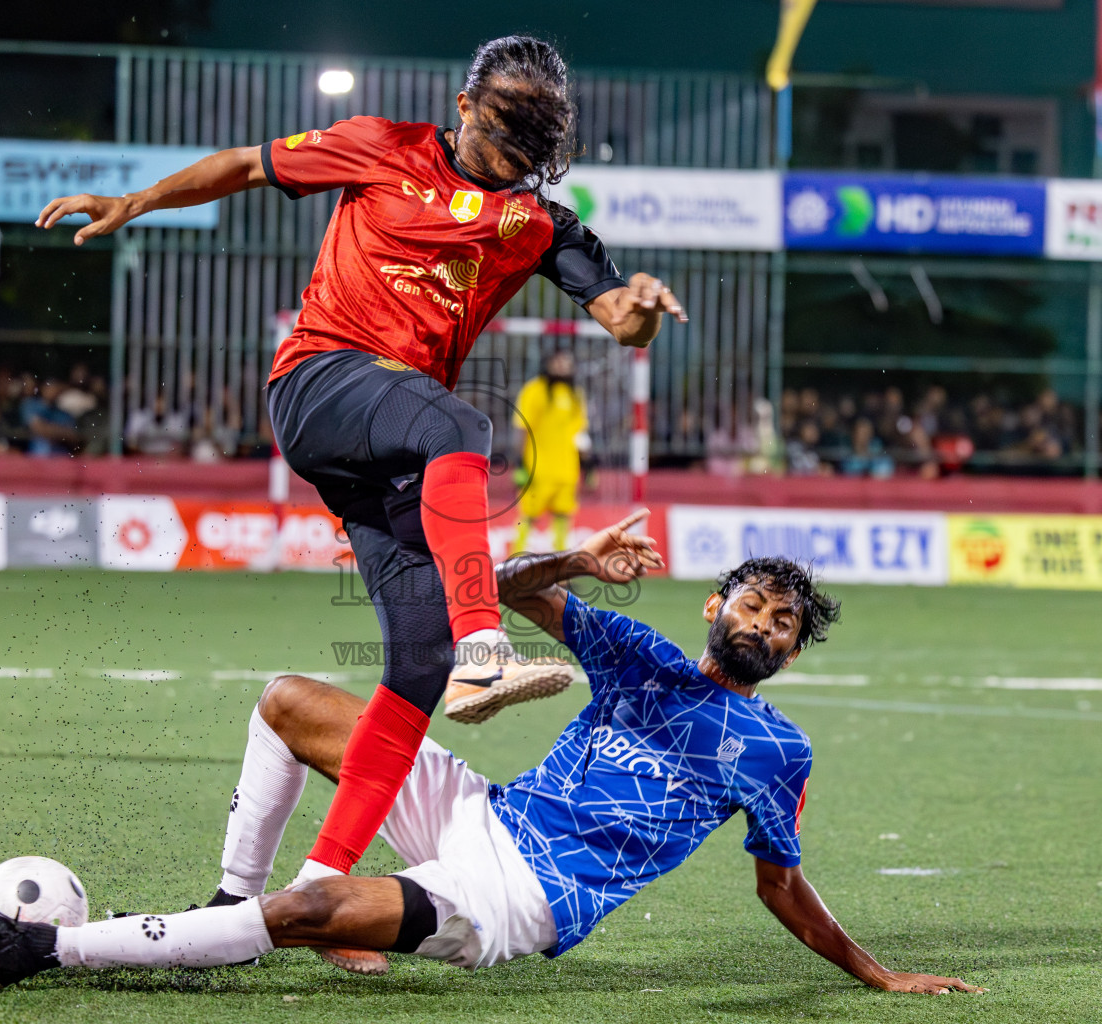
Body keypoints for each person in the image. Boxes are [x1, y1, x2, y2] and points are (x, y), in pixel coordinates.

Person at [35, 36, 688, 884]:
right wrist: (138, 200)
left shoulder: (542, 227)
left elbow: (619, 320)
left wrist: (639, 305)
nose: (517, 153)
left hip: (388, 448)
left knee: (416, 667)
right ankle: (483, 654)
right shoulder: (384, 146)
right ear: (463, 106)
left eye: (534, 139)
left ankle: (309, 890)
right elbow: (243, 165)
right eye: (504, 128)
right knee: (463, 428)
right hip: (319, 379)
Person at [0, 512, 983, 998]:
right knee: (288, 699)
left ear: (793, 650)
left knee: (309, 914)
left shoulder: (777, 748)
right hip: (479, 810)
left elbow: (782, 882)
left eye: (788, 621)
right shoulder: (639, 654)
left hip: (523, 897)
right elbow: (508, 587)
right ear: (716, 606)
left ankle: (38, 954)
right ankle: (221, 904)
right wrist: (577, 557)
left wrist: (876, 972)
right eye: (754, 601)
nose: (768, 622)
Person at [512, 348, 588, 553]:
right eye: (559, 361)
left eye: (567, 362)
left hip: (567, 470)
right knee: (528, 517)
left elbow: (579, 432)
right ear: (548, 363)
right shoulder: (534, 390)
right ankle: (512, 564)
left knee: (563, 518)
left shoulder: (575, 395)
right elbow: (522, 427)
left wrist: (588, 465)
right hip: (538, 469)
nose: (563, 366)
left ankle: (561, 572)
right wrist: (519, 463)